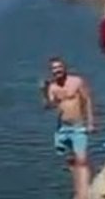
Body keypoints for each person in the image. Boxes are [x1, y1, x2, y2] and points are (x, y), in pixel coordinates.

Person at [43, 56, 97, 199]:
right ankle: (79, 189)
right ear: (51, 72)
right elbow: (50, 106)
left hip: (78, 126)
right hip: (62, 128)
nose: (57, 71)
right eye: (54, 69)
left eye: (59, 67)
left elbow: (88, 100)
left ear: (64, 68)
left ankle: (84, 193)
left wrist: (91, 121)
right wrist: (45, 94)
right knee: (72, 160)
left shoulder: (76, 81)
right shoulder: (52, 87)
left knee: (82, 159)